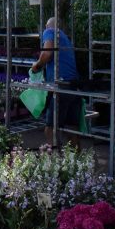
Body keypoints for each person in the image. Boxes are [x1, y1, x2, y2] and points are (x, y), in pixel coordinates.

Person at [30, 17, 81, 147]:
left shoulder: (49, 32)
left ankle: (54, 161)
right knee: (72, 129)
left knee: (50, 129)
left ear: (48, 27)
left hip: (61, 86)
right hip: (74, 86)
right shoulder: (65, 38)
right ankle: (78, 162)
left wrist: (37, 66)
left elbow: (47, 54)